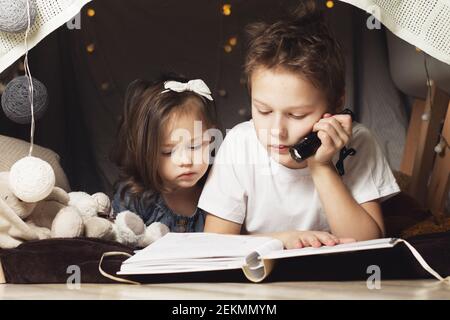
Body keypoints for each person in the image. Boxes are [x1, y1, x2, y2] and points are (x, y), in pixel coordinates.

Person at [198, 1, 400, 249]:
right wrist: (281, 240)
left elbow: (368, 244)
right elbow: (214, 244)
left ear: (337, 104)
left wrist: (322, 167)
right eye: (263, 110)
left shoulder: (358, 142)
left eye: (297, 115)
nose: (277, 130)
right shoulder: (240, 144)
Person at [112, 74, 218, 232]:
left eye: (195, 146)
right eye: (168, 152)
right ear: (145, 153)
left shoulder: (221, 191)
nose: (185, 160)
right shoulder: (134, 199)